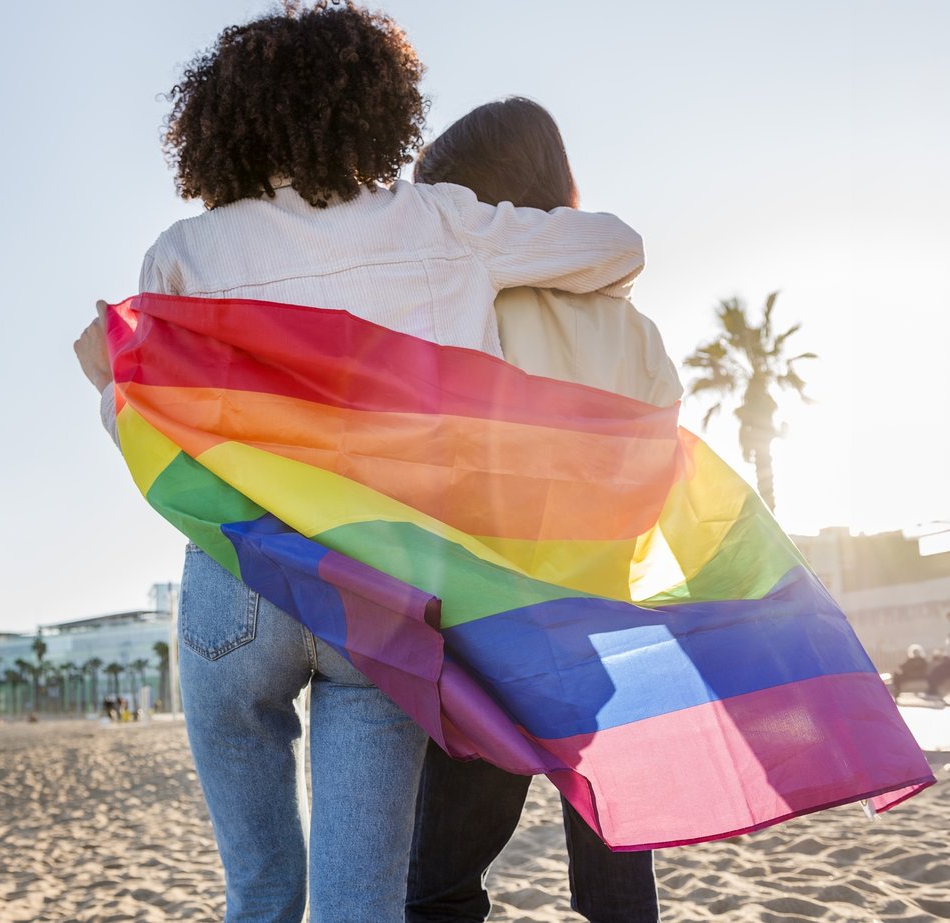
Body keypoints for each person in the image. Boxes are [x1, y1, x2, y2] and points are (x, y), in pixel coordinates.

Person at [71, 6, 646, 921]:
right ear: (380, 108)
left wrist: (108, 383)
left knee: (258, 890)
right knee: (361, 904)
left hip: (238, 582)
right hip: (382, 587)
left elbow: (148, 432)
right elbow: (618, 246)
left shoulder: (183, 252)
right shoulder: (444, 220)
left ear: (224, 121)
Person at [404, 97, 669, 923]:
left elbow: (442, 469)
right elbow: (653, 481)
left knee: (442, 883)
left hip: (495, 632)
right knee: (617, 866)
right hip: (603, 627)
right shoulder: (637, 330)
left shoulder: (472, 314)